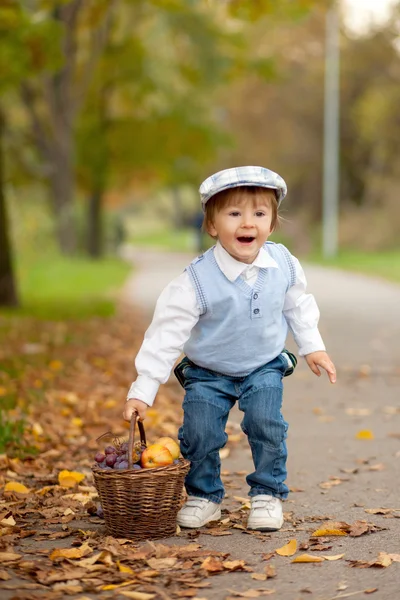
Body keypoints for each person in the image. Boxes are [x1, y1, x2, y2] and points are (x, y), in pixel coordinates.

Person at [123, 166, 336, 532]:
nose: (247, 223)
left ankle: (267, 493)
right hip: (208, 371)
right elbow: (166, 333)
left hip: (263, 365)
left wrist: (312, 347)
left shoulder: (283, 264)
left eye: (259, 213)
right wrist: (143, 388)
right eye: (234, 213)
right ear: (212, 225)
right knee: (201, 431)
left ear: (272, 223)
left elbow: (298, 306)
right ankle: (205, 496)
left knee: (266, 423)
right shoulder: (196, 280)